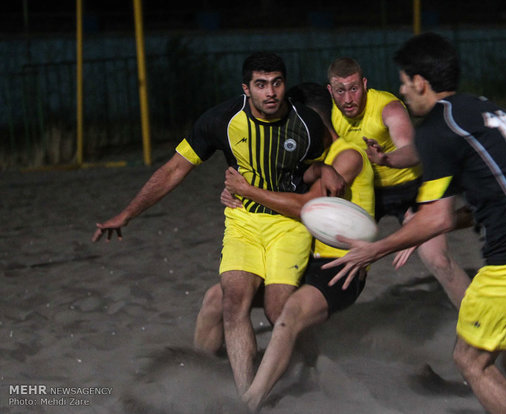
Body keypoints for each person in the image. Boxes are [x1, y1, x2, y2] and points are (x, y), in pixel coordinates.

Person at [324, 33, 506, 413]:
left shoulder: (436, 128)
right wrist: (427, 224)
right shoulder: (485, 110)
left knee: (470, 362)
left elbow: (437, 215)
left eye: (403, 81)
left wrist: (377, 249)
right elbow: (495, 195)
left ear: (420, 82)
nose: (401, 89)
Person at [91, 52, 345, 395]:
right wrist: (127, 214)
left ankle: (314, 366)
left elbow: (310, 170)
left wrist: (324, 169)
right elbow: (173, 169)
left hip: (288, 224)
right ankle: (247, 396)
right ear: (246, 89)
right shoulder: (220, 120)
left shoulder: (308, 124)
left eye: (276, 83)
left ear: (285, 84)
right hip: (242, 221)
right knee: (231, 301)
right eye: (260, 84)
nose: (270, 92)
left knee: (277, 309)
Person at [215, 82, 375, 412]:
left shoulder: (346, 155)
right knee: (216, 300)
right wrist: (235, 195)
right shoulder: (304, 158)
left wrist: (249, 191)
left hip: (339, 266)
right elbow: (269, 194)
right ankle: (203, 371)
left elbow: (305, 207)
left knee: (285, 313)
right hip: (302, 258)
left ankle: (251, 402)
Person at [327, 57, 470, 308]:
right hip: (371, 193)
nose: (348, 99)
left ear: (364, 84)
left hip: (411, 188)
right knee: (340, 260)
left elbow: (412, 150)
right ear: (330, 91)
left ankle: (479, 321)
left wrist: (386, 159)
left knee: (436, 259)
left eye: (354, 88)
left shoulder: (388, 107)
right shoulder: (332, 114)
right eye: (340, 90)